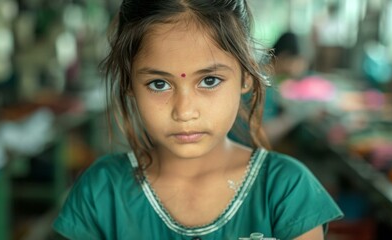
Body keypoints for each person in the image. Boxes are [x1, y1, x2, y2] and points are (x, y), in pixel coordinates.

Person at [52, 1, 343, 239]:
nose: (184, 111)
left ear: (245, 76)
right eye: (158, 84)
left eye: (210, 80)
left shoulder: (286, 191)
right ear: (129, 84)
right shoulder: (102, 191)